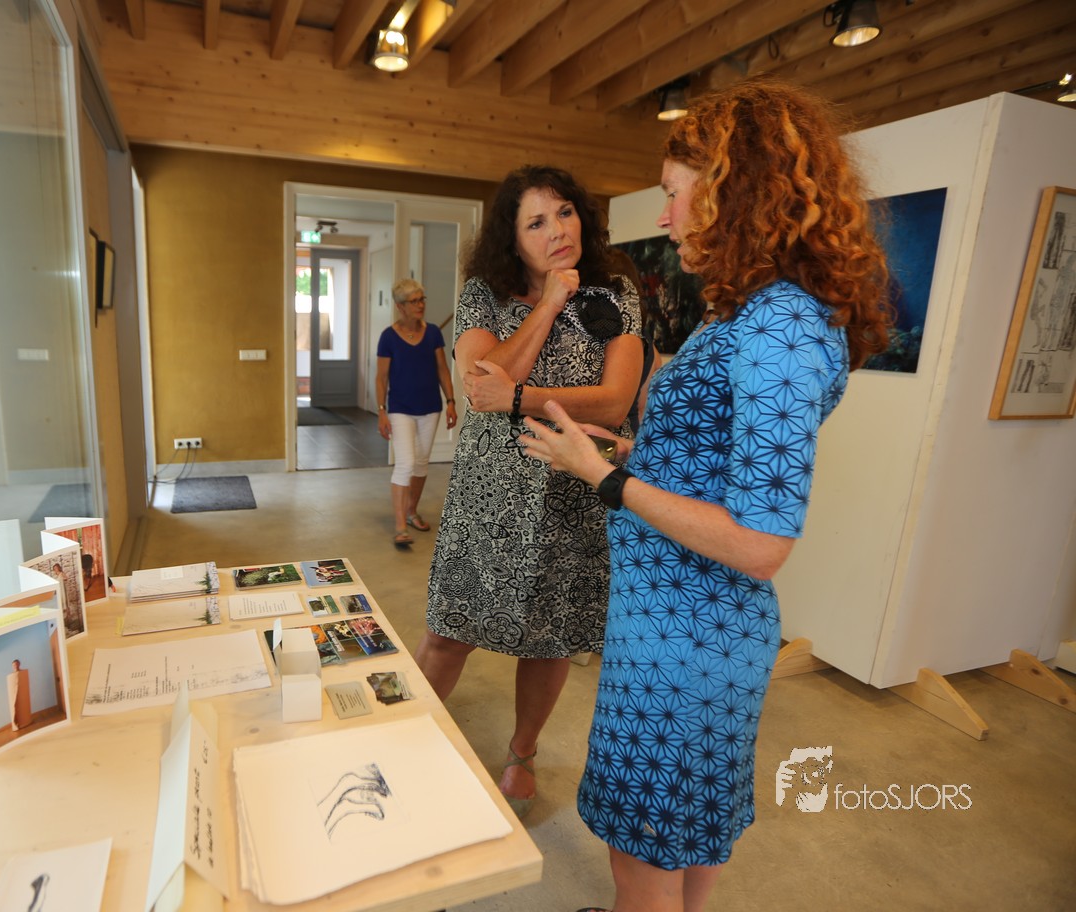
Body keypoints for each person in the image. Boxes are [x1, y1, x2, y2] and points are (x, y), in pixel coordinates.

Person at [518, 79, 892, 912]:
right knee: (681, 839)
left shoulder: (780, 329)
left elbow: (761, 543)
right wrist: (625, 452)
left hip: (687, 644)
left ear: (732, 190)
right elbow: (712, 460)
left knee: (645, 857)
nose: (665, 216)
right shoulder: (754, 315)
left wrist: (608, 479)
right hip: (671, 625)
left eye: (674, 194)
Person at [416, 164, 646, 817]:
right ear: (511, 239)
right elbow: (478, 383)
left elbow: (615, 399)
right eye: (536, 222)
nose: (557, 231)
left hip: (573, 494)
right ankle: (407, 732)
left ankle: (522, 754)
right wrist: (546, 304)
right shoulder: (483, 294)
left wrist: (517, 397)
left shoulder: (617, 293)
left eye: (565, 213)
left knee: (551, 637)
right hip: (488, 498)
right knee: (450, 628)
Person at [375, 278, 457, 546]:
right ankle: (400, 527)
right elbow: (381, 378)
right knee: (406, 463)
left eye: (422, 299)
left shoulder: (432, 333)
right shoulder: (388, 337)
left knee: (421, 462)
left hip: (430, 407)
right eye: (414, 301)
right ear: (400, 306)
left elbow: (442, 369)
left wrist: (451, 401)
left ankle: (412, 512)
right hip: (400, 409)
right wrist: (381, 411)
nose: (420, 305)